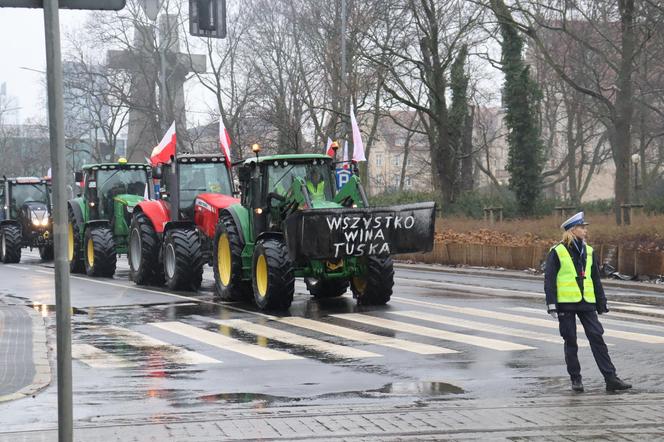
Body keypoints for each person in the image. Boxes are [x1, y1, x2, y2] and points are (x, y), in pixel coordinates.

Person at [545, 211, 632, 393]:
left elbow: (595, 279)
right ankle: (576, 380)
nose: (585, 231)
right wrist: (551, 304)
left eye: (585, 228)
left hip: (586, 303)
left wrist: (601, 302)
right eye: (582, 228)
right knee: (571, 341)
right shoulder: (557, 251)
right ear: (572, 230)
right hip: (566, 303)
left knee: (597, 337)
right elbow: (550, 279)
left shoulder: (589, 251)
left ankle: (611, 378)